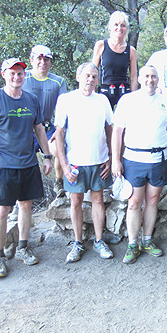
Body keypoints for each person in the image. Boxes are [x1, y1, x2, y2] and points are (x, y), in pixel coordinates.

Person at [0, 58, 53, 278]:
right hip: (4, 165)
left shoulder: (31, 99)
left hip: (28, 162)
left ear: (24, 75)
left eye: (20, 73)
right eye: (12, 73)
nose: (16, 77)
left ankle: (22, 247)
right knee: (2, 209)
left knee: (26, 206)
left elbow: (39, 129)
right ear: (3, 74)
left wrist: (47, 156)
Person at [112, 65, 167, 264]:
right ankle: (133, 244)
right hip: (133, 159)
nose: (150, 80)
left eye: (154, 76)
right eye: (147, 76)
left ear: (158, 79)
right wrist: (116, 159)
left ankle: (147, 240)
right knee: (133, 202)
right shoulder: (128, 101)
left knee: (153, 200)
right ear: (140, 78)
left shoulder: (165, 102)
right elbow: (117, 131)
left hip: (158, 159)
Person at [54, 62, 114, 263]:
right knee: (76, 201)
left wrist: (112, 157)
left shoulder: (102, 100)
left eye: (94, 77)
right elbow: (59, 133)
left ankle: (99, 240)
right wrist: (64, 165)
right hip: (75, 163)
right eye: (87, 76)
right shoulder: (66, 100)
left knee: (98, 200)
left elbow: (110, 129)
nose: (90, 80)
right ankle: (77, 243)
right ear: (78, 76)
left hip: (98, 160)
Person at [24, 45, 67, 194]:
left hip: (47, 127)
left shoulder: (58, 81)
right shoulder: (23, 77)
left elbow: (62, 107)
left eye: (46, 59)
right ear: (31, 60)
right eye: (39, 59)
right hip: (26, 129)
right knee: (21, 164)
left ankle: (59, 182)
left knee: (61, 149)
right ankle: (18, 202)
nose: (43, 62)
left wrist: (60, 129)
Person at [92, 11, 137, 110]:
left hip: (123, 92)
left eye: (123, 25)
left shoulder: (131, 51)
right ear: (110, 27)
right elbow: (93, 72)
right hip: (105, 91)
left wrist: (134, 99)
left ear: (127, 29)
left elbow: (133, 78)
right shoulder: (101, 45)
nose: (119, 28)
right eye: (116, 25)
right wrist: (93, 94)